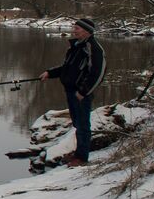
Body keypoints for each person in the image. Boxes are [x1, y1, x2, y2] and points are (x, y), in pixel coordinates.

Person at [39, 17, 106, 167]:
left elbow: (98, 73)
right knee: (77, 123)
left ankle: (82, 158)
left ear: (87, 31)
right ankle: (78, 153)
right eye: (74, 28)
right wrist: (50, 73)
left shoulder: (94, 49)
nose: (74, 31)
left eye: (77, 29)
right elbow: (67, 68)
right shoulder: (76, 47)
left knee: (83, 125)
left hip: (81, 94)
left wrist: (83, 92)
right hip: (71, 91)